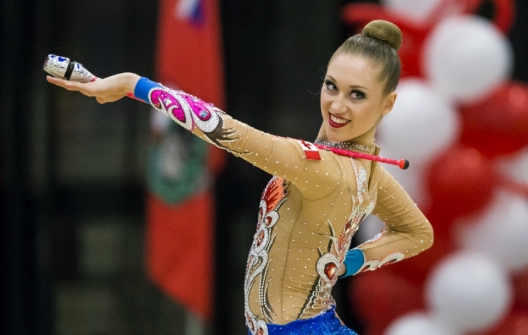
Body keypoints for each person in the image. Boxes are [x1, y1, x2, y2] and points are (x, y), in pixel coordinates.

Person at [47, 20, 433, 335]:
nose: (337, 105)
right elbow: (418, 234)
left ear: (388, 104)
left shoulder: (318, 166)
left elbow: (225, 131)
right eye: (332, 86)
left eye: (357, 95)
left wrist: (135, 85)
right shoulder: (368, 173)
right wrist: (344, 264)